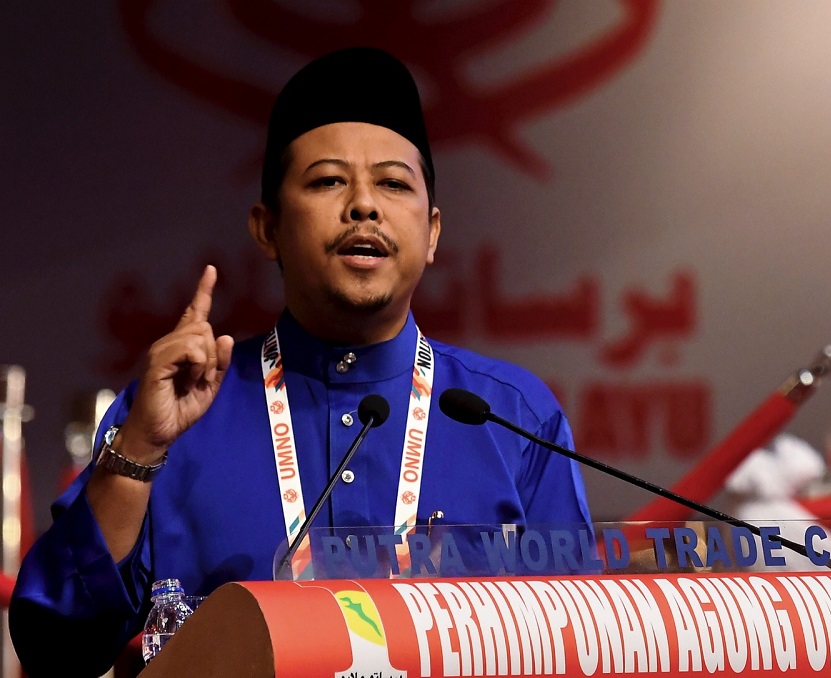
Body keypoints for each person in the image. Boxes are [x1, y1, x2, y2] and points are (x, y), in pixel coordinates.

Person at [10, 47, 592, 676]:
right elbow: (53, 647)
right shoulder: (175, 416)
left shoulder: (514, 420)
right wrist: (140, 451)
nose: (363, 205)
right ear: (267, 228)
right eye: (327, 181)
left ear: (431, 233)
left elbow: (588, 650)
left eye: (394, 184)